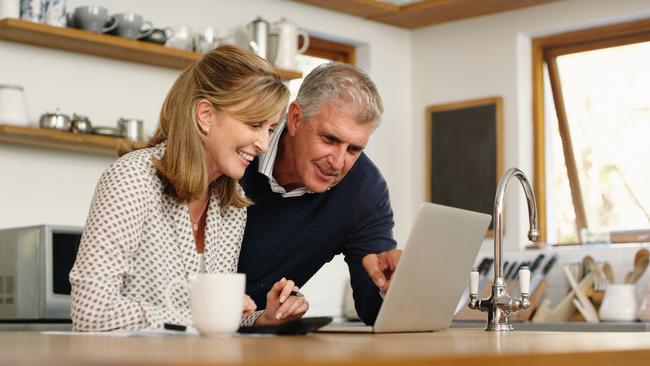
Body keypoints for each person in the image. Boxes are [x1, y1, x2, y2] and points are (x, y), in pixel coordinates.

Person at [69, 45, 308, 331]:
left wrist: (263, 318)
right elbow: (90, 312)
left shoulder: (230, 205)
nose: (264, 145)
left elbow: (213, 321)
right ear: (205, 115)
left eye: (269, 129)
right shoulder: (133, 178)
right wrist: (194, 319)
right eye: (254, 124)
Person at [238, 62, 402, 325]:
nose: (337, 163)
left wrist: (391, 286)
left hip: (264, 334)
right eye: (329, 139)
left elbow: (373, 309)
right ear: (295, 118)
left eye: (354, 149)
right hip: (187, 323)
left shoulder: (365, 190)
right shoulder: (241, 151)